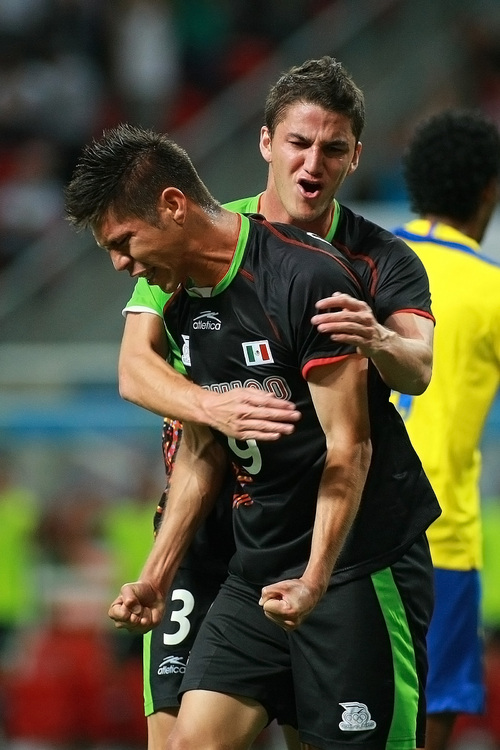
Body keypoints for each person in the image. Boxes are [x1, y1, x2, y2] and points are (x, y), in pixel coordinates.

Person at [65, 122, 441, 750]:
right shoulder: (178, 299)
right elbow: (198, 450)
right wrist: (155, 577)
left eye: (124, 242)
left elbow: (350, 448)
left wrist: (315, 578)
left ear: (173, 206)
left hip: (355, 565)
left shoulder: (306, 278)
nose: (121, 264)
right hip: (257, 571)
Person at [389, 109, 500, 750]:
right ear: (489, 190)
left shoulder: (364, 258)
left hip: (341, 528)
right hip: (440, 540)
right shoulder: (490, 289)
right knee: (430, 717)